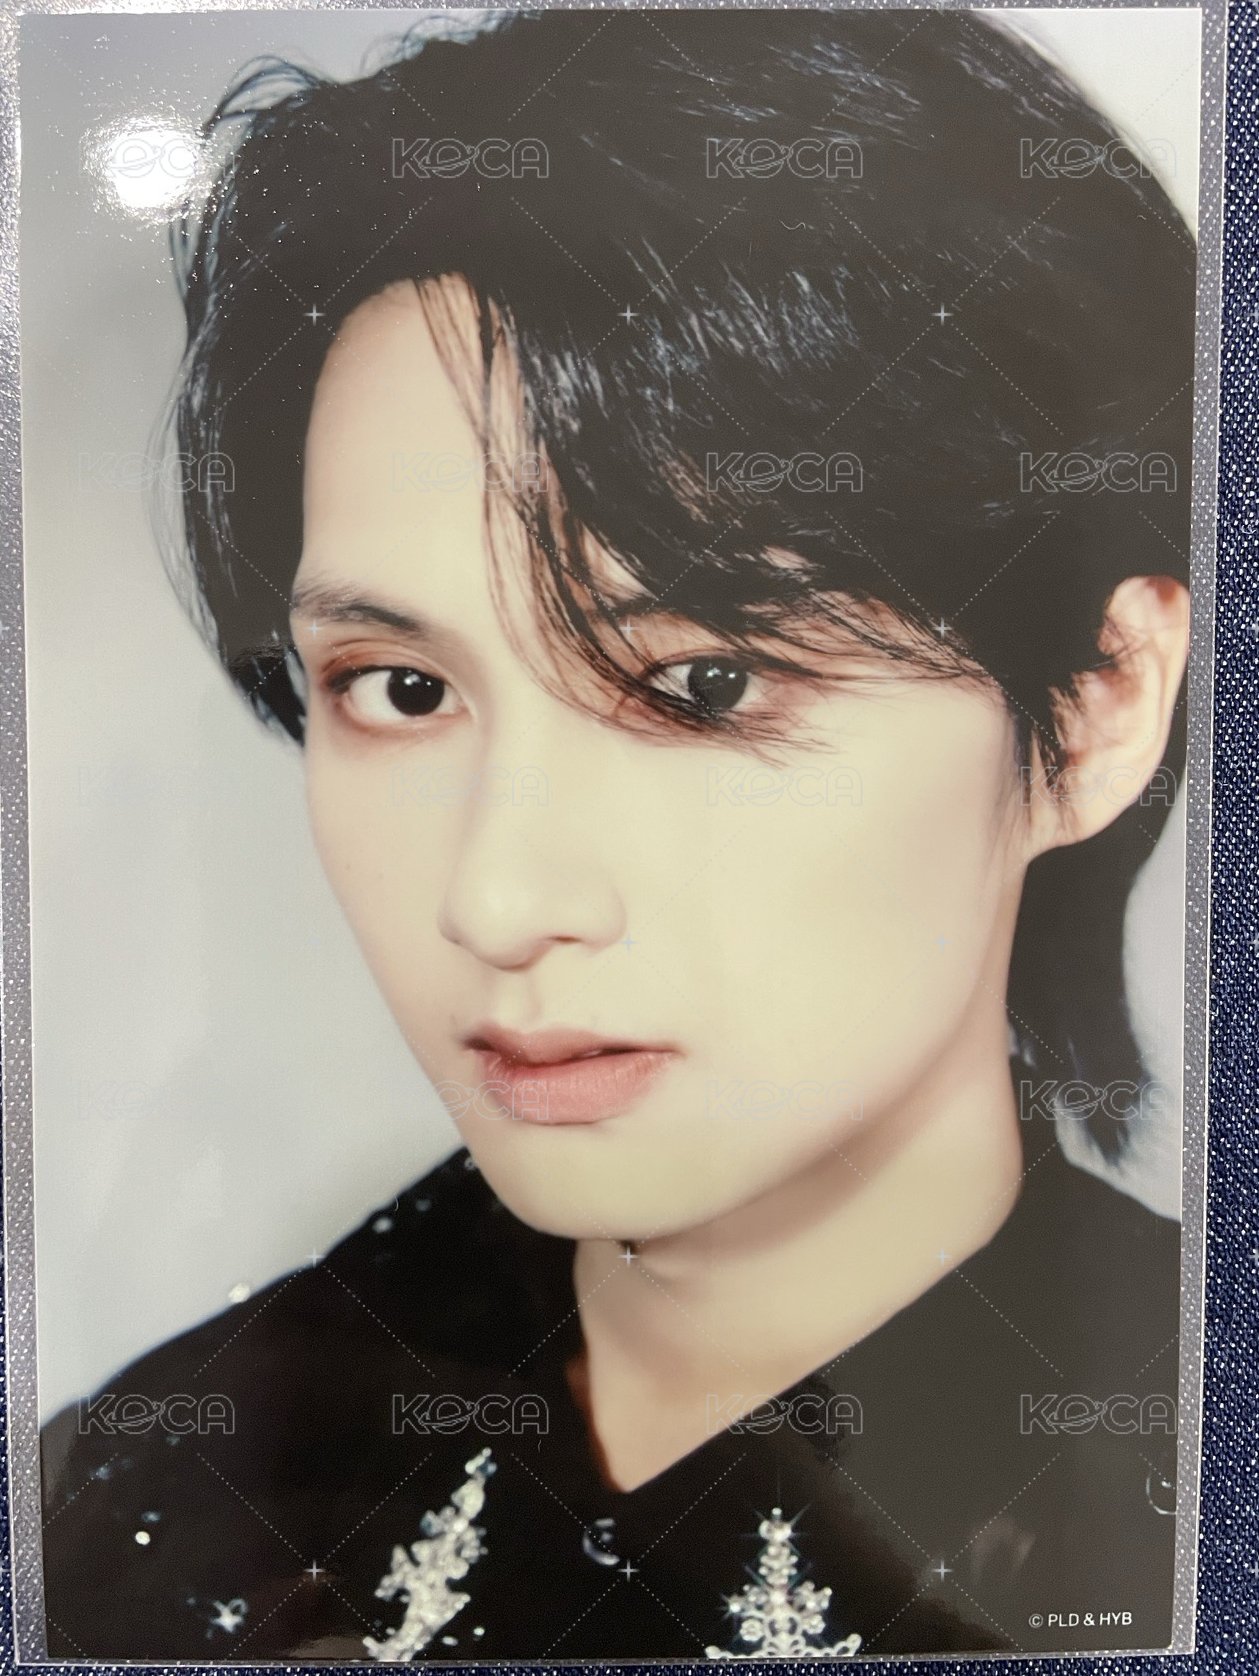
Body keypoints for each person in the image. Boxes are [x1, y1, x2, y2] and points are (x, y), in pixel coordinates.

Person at [41, 7, 1192, 1660]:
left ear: (1093, 706)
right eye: (402, 690)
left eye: (702, 684)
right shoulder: (138, 1500)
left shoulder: (1181, 1491)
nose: (498, 896)